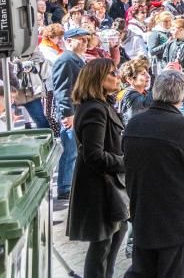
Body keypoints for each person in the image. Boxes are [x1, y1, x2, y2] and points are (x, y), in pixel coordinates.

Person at [123, 69, 184, 278]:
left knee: (142, 270)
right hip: (175, 218)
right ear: (183, 96)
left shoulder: (135, 123)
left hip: (143, 213)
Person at [67, 58, 128, 278]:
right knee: (103, 245)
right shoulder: (94, 109)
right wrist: (126, 163)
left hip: (107, 184)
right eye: (112, 73)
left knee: (114, 236)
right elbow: (93, 155)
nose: (117, 76)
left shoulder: (101, 104)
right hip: (101, 187)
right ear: (98, 79)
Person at [51, 26, 91, 200]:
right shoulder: (66, 59)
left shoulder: (75, 59)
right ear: (68, 41)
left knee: (75, 151)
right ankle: (65, 187)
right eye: (80, 39)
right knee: (70, 151)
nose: (84, 42)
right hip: (72, 113)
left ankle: (70, 184)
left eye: (86, 40)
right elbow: (62, 90)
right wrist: (67, 114)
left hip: (79, 111)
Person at [117, 61, 153, 126]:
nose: (148, 76)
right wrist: (163, 78)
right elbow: (145, 103)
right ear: (130, 79)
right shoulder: (129, 95)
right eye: (143, 74)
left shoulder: (146, 93)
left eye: (147, 72)